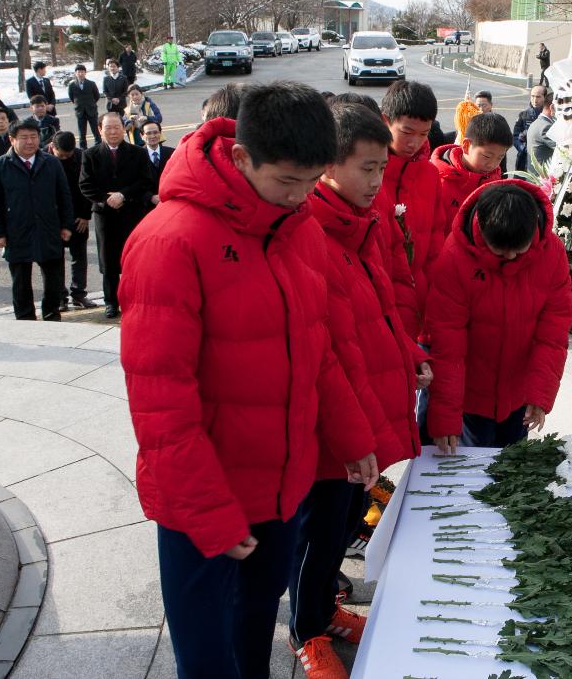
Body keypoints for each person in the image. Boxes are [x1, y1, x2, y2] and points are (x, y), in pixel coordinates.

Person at [119, 82, 380, 679]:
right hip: (202, 501)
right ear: (240, 156)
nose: (300, 198)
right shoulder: (169, 242)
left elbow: (320, 348)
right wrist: (211, 514)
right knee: (209, 659)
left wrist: (352, 435)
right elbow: (161, 405)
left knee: (254, 634)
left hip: (281, 485)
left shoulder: (294, 225)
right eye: (286, 182)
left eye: (311, 182)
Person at [293, 102, 429, 677]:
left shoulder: (362, 224)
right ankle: (306, 631)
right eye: (366, 168)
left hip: (366, 404)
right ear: (327, 166)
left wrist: (409, 355)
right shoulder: (310, 234)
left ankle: (325, 609)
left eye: (381, 169)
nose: (377, 182)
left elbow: (382, 310)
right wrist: (350, 432)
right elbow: (322, 347)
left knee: (345, 522)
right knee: (319, 533)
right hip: (333, 425)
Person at [425, 181, 572, 451]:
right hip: (471, 396)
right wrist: (445, 418)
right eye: (500, 251)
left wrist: (539, 394)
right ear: (481, 230)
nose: (511, 258)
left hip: (519, 394)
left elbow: (553, 333)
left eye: (520, 250)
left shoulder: (550, 253)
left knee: (510, 473)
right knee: (473, 477)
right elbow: (447, 346)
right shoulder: (455, 258)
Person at [0, 119, 73, 321]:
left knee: (53, 278)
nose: (30, 141)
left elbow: (64, 195)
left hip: (48, 228)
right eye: (24, 137)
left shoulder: (51, 162)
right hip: (16, 230)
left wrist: (67, 225)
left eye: (34, 136)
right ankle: (25, 319)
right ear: (12, 140)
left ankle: (52, 315)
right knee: (21, 281)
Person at [374, 80, 445, 323]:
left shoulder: (430, 174)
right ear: (385, 121)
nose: (414, 143)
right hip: (378, 300)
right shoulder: (371, 173)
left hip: (418, 297)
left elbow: (436, 238)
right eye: (406, 132)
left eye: (423, 134)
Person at [79, 112, 152, 318]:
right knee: (109, 261)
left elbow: (145, 181)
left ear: (124, 128)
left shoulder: (138, 153)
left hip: (132, 213)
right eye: (108, 128)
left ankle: (135, 299)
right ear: (100, 130)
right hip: (105, 215)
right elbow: (85, 185)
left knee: (134, 259)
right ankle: (111, 302)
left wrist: (123, 195)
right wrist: (105, 199)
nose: (113, 131)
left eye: (117, 127)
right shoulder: (90, 154)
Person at [432, 112, 511, 234]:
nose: (492, 164)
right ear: (466, 145)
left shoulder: (496, 183)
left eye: (500, 158)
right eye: (486, 156)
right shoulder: (437, 179)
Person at [48, 131, 99, 311]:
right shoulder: (44, 159)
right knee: (56, 259)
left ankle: (78, 294)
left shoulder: (82, 157)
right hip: (54, 218)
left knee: (79, 257)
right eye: (61, 155)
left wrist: (85, 215)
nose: (64, 158)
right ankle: (60, 297)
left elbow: (88, 187)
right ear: (52, 147)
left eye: (68, 156)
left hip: (79, 217)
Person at [513, 86, 547, 173]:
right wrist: (523, 148)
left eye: (538, 97)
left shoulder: (549, 116)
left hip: (542, 160)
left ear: (545, 97)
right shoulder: (524, 114)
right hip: (524, 159)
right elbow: (515, 137)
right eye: (532, 96)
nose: (535, 100)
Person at [67, 64, 102, 147]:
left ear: (85, 73)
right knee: (81, 133)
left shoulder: (91, 84)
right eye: (78, 72)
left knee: (96, 131)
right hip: (80, 111)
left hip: (91, 110)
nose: (80, 74)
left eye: (82, 72)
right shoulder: (72, 85)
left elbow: (96, 96)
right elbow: (71, 97)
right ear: (75, 73)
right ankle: (83, 149)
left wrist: (91, 103)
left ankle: (99, 146)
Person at [141, 120, 173, 208]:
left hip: (170, 202)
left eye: (155, 132)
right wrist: (150, 197)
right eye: (148, 133)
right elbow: (133, 181)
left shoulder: (172, 153)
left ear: (160, 134)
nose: (152, 136)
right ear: (142, 136)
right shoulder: (136, 156)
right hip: (146, 207)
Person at [525, 89, 557, 170]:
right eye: (561, 108)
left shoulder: (539, 122)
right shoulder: (546, 127)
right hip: (541, 179)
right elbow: (563, 150)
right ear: (552, 107)